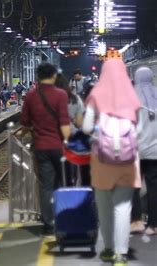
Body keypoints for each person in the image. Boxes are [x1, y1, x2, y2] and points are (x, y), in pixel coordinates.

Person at [82, 59, 141, 266]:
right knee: (123, 208)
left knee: (104, 207)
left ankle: (107, 248)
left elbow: (87, 127)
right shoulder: (131, 94)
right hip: (127, 160)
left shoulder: (96, 94)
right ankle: (121, 254)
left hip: (102, 159)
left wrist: (101, 131)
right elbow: (139, 130)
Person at [19, 63, 71, 235]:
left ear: (37, 76)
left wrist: (27, 130)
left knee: (46, 186)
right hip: (59, 146)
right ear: (54, 75)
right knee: (63, 183)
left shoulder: (31, 96)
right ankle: (64, 218)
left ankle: (49, 224)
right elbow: (64, 122)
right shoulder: (61, 95)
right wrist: (69, 142)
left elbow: (25, 121)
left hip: (40, 146)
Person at [130, 66, 157, 236]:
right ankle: (154, 225)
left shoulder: (130, 98)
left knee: (133, 186)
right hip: (155, 151)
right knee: (155, 188)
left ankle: (137, 221)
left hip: (135, 150)